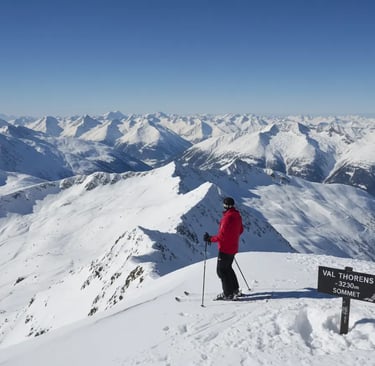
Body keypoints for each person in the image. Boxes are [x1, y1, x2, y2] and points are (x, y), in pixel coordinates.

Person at [203, 197, 244, 300]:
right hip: (233, 247)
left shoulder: (227, 217)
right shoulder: (237, 215)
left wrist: (210, 239)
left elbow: (222, 236)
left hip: (225, 248)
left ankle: (228, 294)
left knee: (221, 271)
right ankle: (235, 290)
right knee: (228, 268)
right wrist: (232, 237)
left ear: (225, 206)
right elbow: (241, 230)